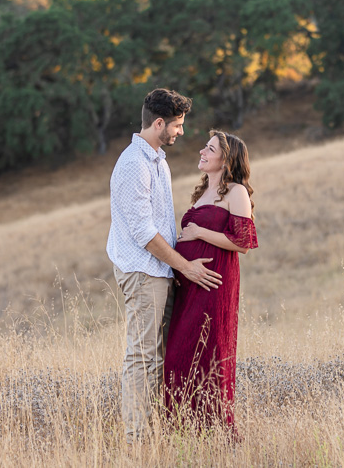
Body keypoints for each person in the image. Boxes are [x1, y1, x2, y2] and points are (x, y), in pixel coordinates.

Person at [107, 88, 223, 443]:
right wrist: (185, 268)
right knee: (142, 356)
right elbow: (144, 233)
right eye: (177, 125)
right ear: (158, 123)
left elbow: (161, 224)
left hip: (160, 271)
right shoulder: (133, 164)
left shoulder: (158, 160)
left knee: (158, 357)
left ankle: (156, 430)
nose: (181, 132)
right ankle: (137, 439)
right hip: (143, 271)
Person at [164, 130, 258, 436]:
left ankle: (215, 433)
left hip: (213, 286)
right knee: (178, 357)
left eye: (210, 148)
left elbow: (242, 241)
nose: (202, 152)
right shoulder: (202, 192)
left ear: (226, 158)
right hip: (189, 286)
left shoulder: (236, 192)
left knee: (207, 354)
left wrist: (199, 234)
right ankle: (182, 430)